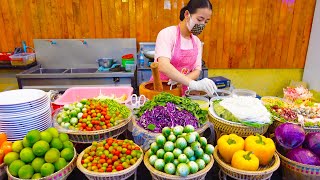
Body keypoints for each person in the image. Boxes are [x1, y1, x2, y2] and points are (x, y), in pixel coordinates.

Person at [151, 0, 217, 96]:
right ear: (187, 14)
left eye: (206, 21)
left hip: (183, 92)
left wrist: (181, 81)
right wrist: (192, 83)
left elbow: (197, 70)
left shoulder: (197, 42)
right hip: (161, 91)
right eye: (199, 19)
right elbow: (163, 65)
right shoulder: (168, 34)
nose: (202, 24)